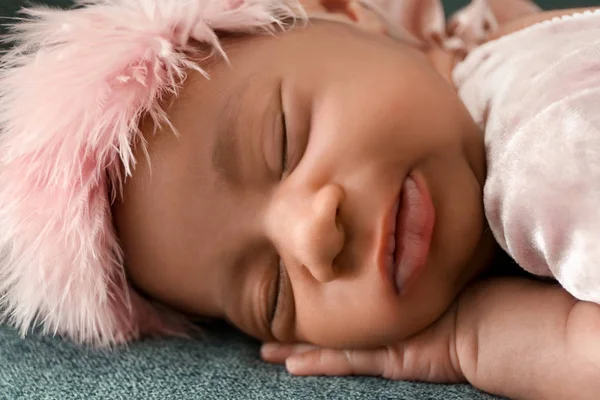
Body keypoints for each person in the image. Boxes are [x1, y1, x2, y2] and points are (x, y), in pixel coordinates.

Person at [0, 1, 598, 399]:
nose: (312, 235)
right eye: (273, 293)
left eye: (284, 139)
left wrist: (477, 341)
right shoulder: (501, 68)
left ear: (347, 13)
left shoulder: (546, 155)